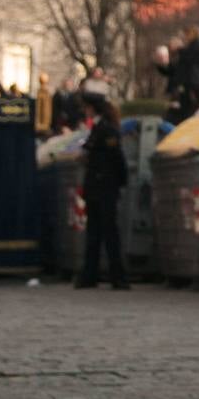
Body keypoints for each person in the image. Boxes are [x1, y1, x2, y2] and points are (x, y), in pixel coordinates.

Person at [74, 98, 129, 290]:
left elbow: (116, 157)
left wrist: (120, 180)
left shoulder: (106, 129)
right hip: (99, 187)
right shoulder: (98, 128)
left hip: (104, 187)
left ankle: (116, 275)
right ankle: (92, 274)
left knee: (107, 232)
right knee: (96, 232)